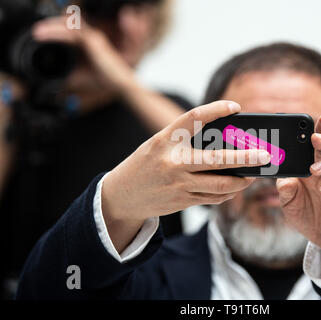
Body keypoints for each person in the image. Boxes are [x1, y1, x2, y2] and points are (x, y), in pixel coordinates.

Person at [16, 43, 321, 299]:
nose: (269, 172)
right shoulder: (140, 280)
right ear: (209, 144)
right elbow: (43, 293)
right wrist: (117, 202)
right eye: (248, 142)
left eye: (295, 144)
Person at [0, 0, 188, 298]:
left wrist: (119, 80)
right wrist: (12, 93)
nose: (126, 26)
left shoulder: (163, 111)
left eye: (140, 9)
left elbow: (218, 156)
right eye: (103, 9)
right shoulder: (18, 108)